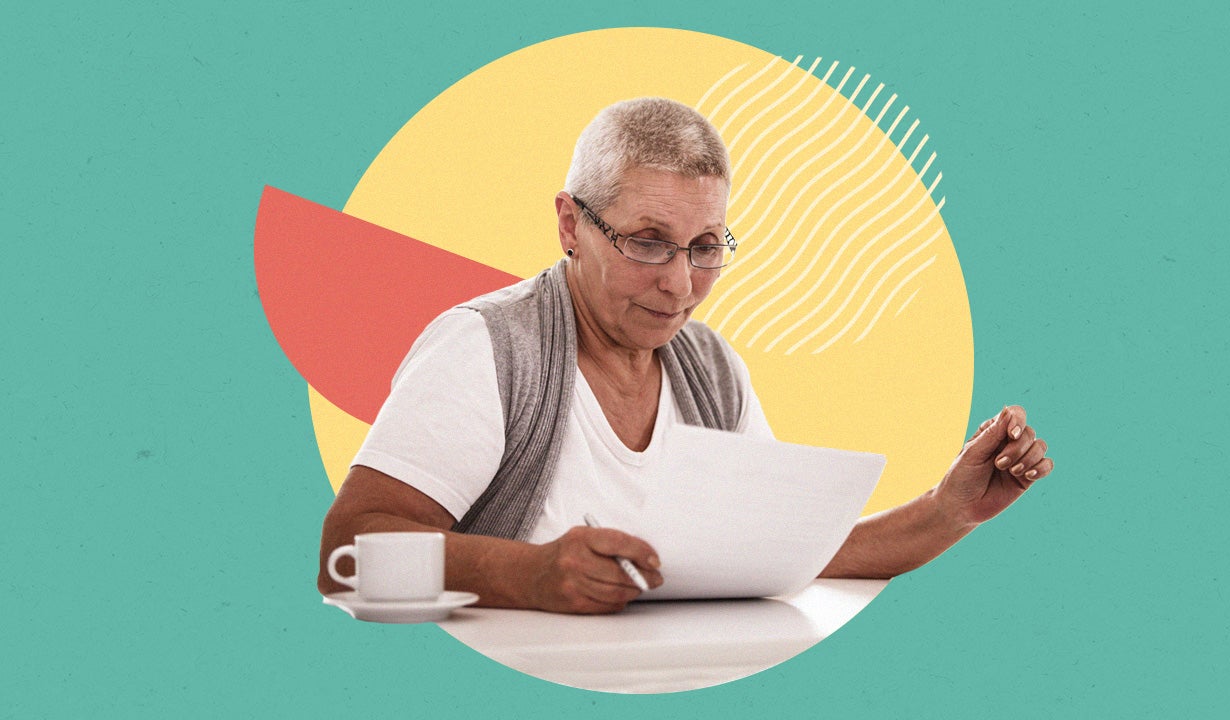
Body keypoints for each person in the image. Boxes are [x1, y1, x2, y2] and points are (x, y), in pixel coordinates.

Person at [318, 97, 1054, 614]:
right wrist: (528, 576)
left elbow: (786, 554)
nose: (679, 285)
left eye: (706, 248)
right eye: (647, 242)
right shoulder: (485, 348)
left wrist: (947, 511)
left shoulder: (710, 368)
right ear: (571, 224)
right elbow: (345, 552)